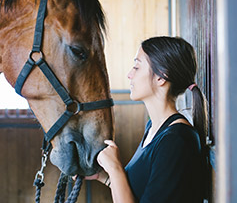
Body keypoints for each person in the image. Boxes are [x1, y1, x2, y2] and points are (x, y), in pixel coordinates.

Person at [87, 36, 209, 202]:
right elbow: (140, 193)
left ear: (161, 77)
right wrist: (104, 176)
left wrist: (115, 168)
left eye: (137, 67)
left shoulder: (175, 141)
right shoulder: (154, 128)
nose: (130, 75)